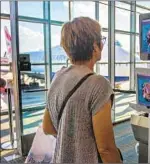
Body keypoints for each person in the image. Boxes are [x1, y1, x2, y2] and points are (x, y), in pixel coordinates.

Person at [42, 17, 122, 163]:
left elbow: (47, 127)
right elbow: (106, 149)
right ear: (95, 46)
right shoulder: (98, 84)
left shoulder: (58, 76)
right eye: (101, 40)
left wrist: (70, 139)